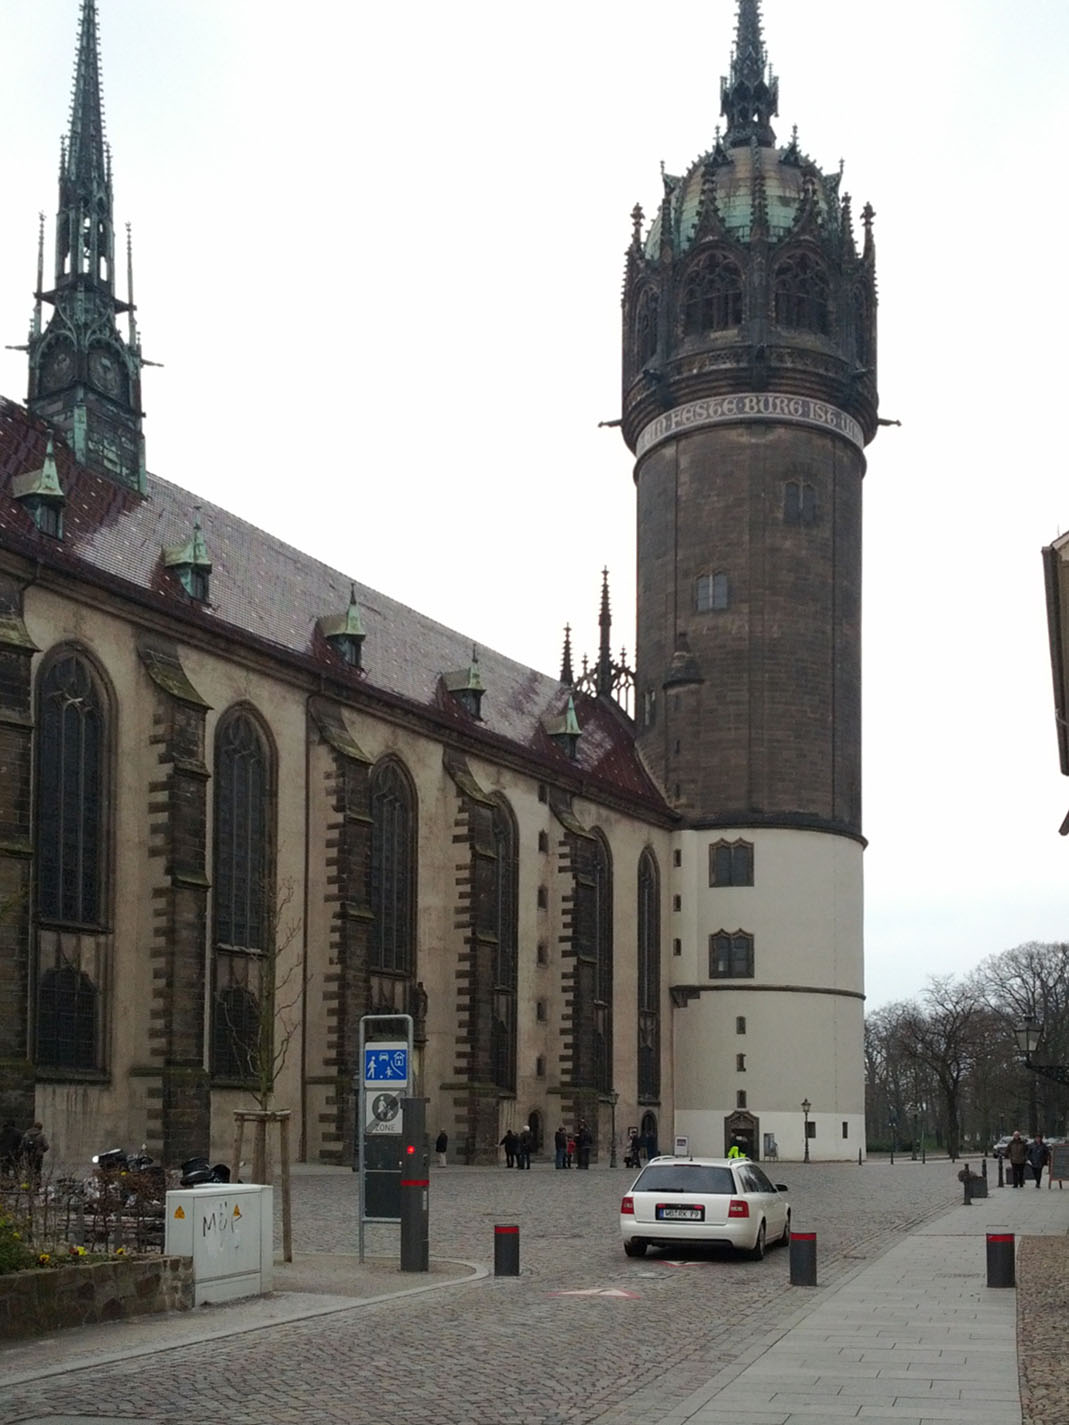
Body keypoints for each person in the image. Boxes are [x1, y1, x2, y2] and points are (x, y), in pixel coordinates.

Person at [21, 1121, 48, 1185]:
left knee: (28, 1170)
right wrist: (41, 1150)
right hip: (38, 1156)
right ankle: (37, 1185)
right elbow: (46, 1146)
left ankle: (27, 1184)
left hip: (28, 1155)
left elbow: (22, 1145)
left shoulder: (26, 1134)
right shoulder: (41, 1135)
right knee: (37, 1171)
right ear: (41, 1128)